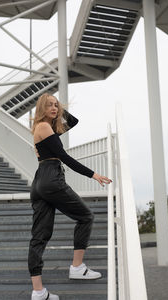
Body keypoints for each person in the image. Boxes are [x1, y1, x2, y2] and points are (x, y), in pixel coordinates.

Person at [28, 93, 112, 300]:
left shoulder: (46, 128)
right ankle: (77, 267)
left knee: (39, 236)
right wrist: (93, 174)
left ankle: (38, 292)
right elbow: (64, 157)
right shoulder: (45, 127)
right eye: (49, 106)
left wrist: (57, 109)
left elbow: (73, 122)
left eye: (56, 105)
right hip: (51, 178)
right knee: (86, 217)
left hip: (40, 181)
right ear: (41, 108)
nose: (54, 108)